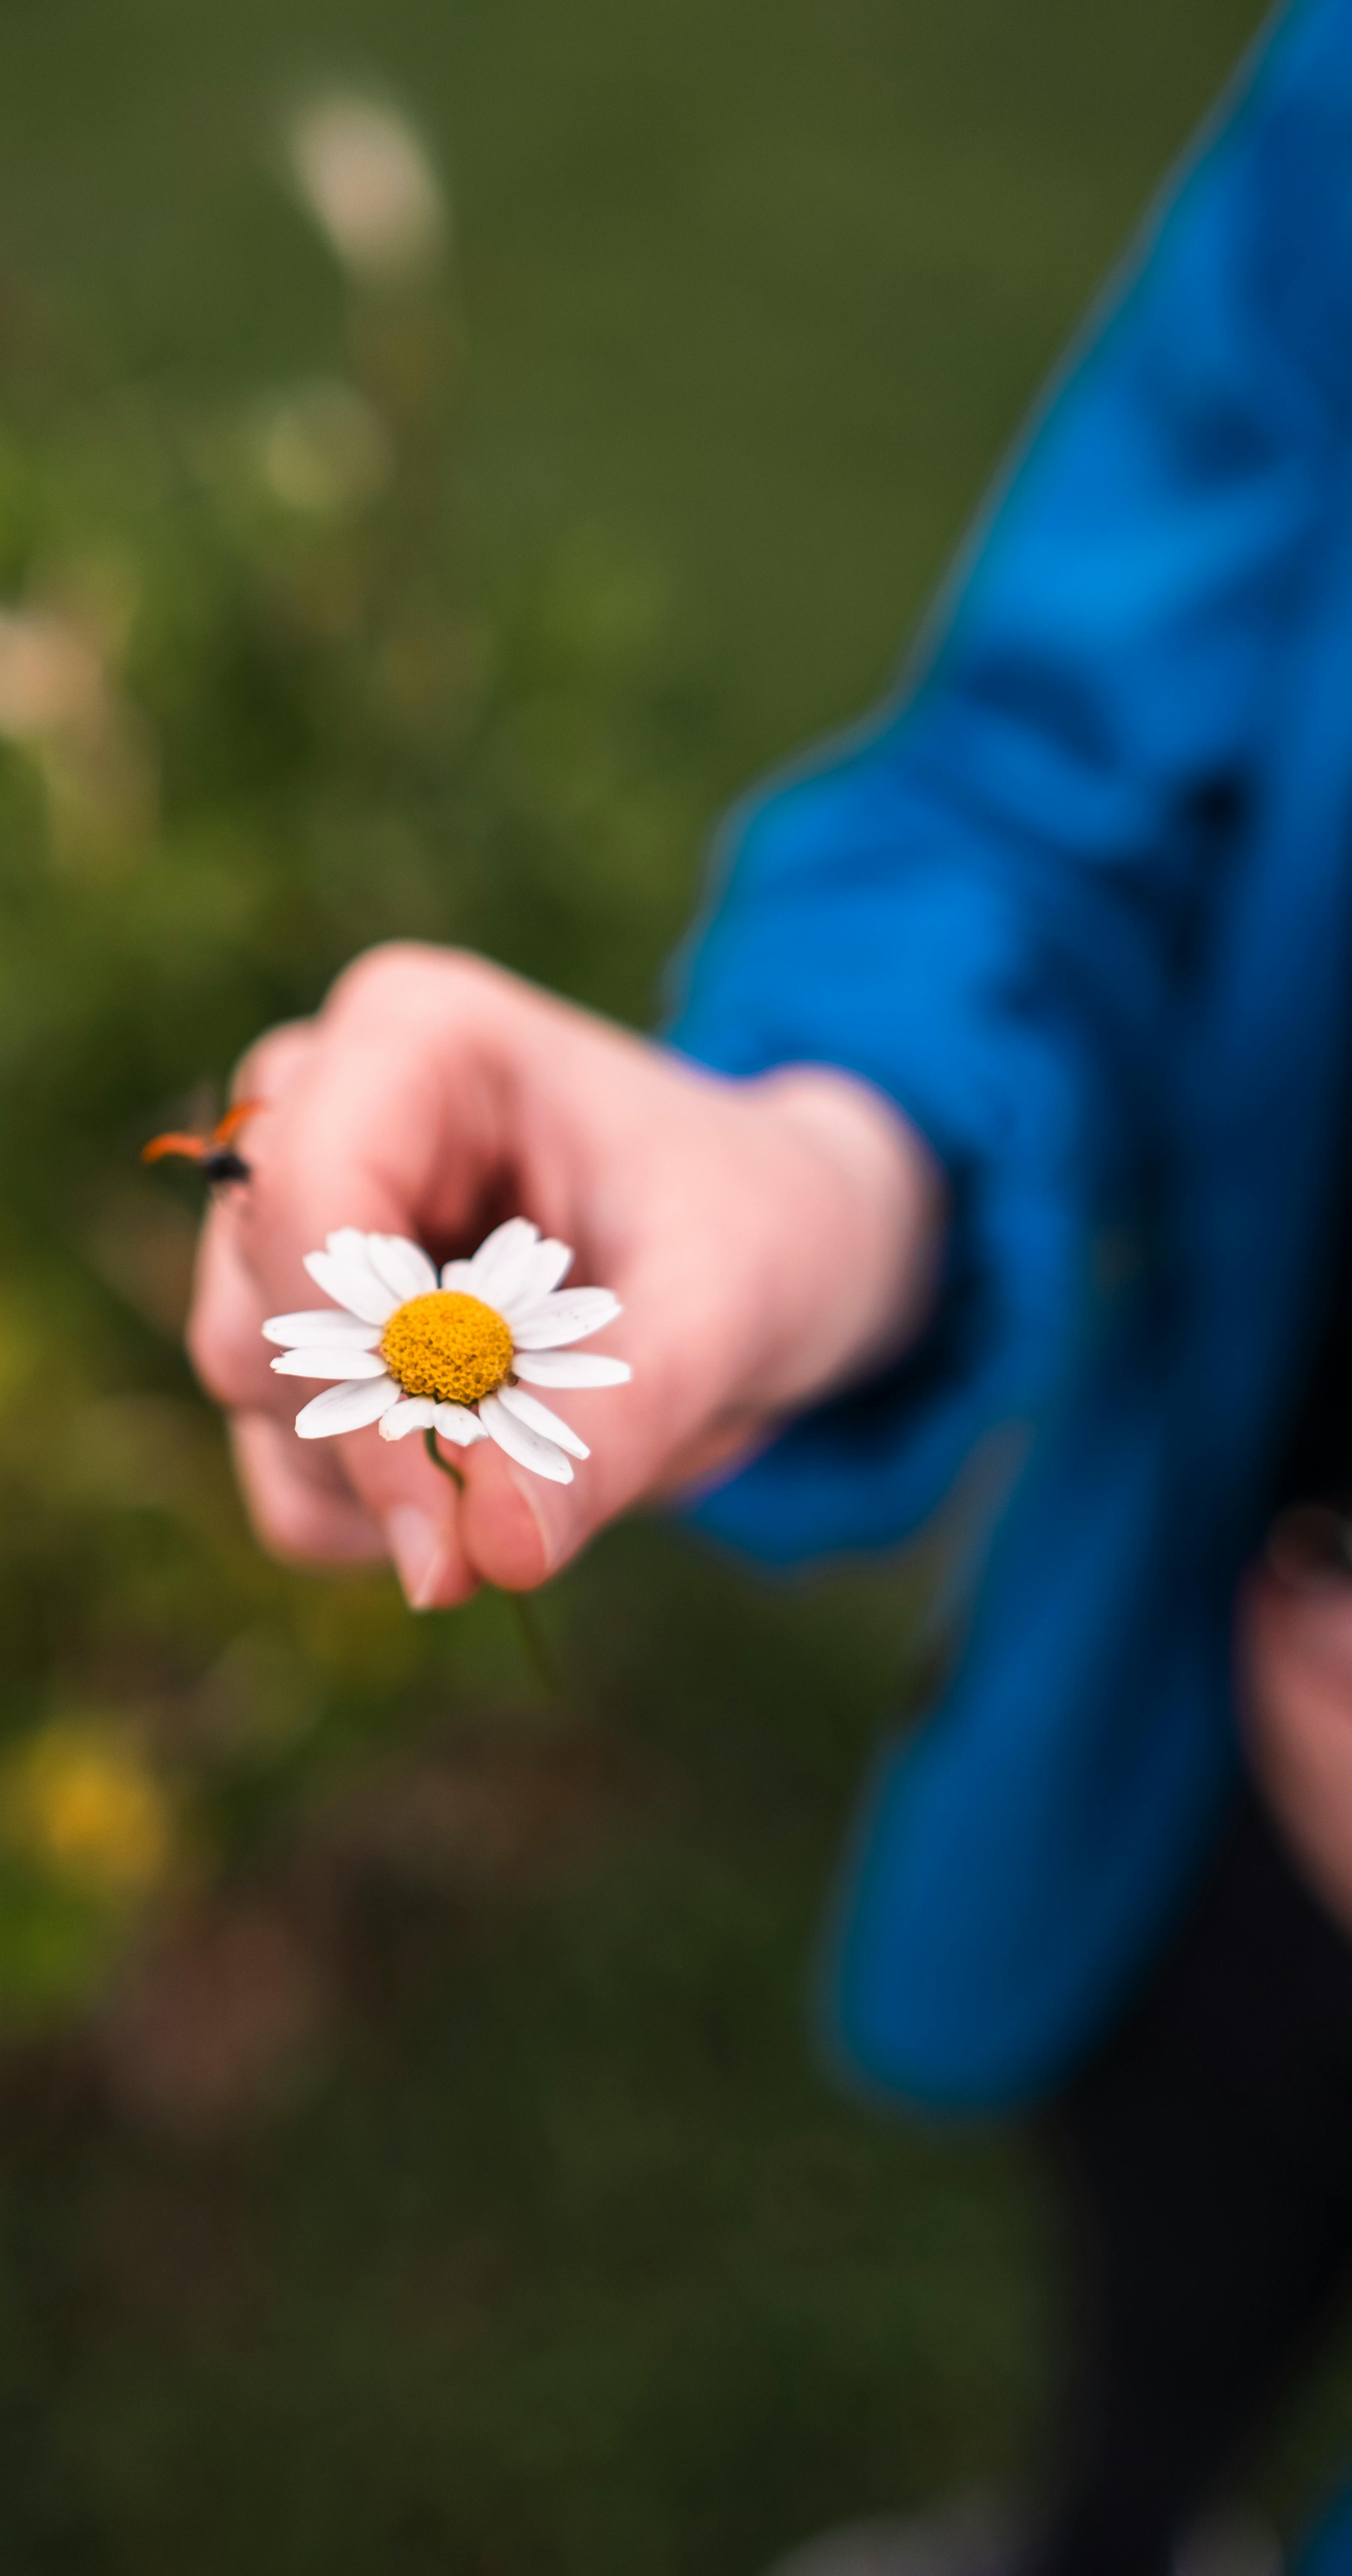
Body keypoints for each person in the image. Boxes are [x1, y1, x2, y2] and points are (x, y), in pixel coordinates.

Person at [191, 1, 1352, 2566]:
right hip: (1229, 1714)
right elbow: (1072, 798)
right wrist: (817, 1171)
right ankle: (1114, 2516)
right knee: (1172, 2233)